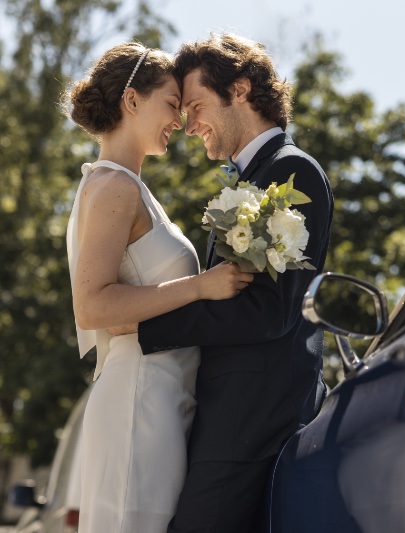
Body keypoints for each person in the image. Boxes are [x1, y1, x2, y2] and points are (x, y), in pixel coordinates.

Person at [132, 33, 333, 532]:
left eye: (196, 105)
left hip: (251, 417)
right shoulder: (256, 177)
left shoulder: (290, 172)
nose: (188, 125)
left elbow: (267, 312)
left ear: (240, 89)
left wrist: (140, 325)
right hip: (232, 415)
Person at [63, 43, 254, 532]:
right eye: (172, 104)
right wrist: (200, 287)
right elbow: (92, 306)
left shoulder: (131, 187)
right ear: (132, 100)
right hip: (136, 407)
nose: (181, 121)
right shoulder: (114, 187)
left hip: (161, 404)